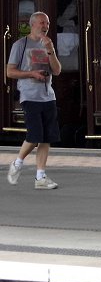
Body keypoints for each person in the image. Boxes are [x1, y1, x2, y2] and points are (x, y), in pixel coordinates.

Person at [6, 11, 62, 190]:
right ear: (32, 25)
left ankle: (40, 177)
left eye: (47, 23)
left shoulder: (48, 45)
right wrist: (31, 74)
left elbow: (57, 70)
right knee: (34, 135)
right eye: (41, 23)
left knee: (46, 138)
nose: (45, 26)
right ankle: (17, 163)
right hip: (29, 96)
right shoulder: (20, 45)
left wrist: (51, 50)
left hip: (48, 96)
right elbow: (10, 72)